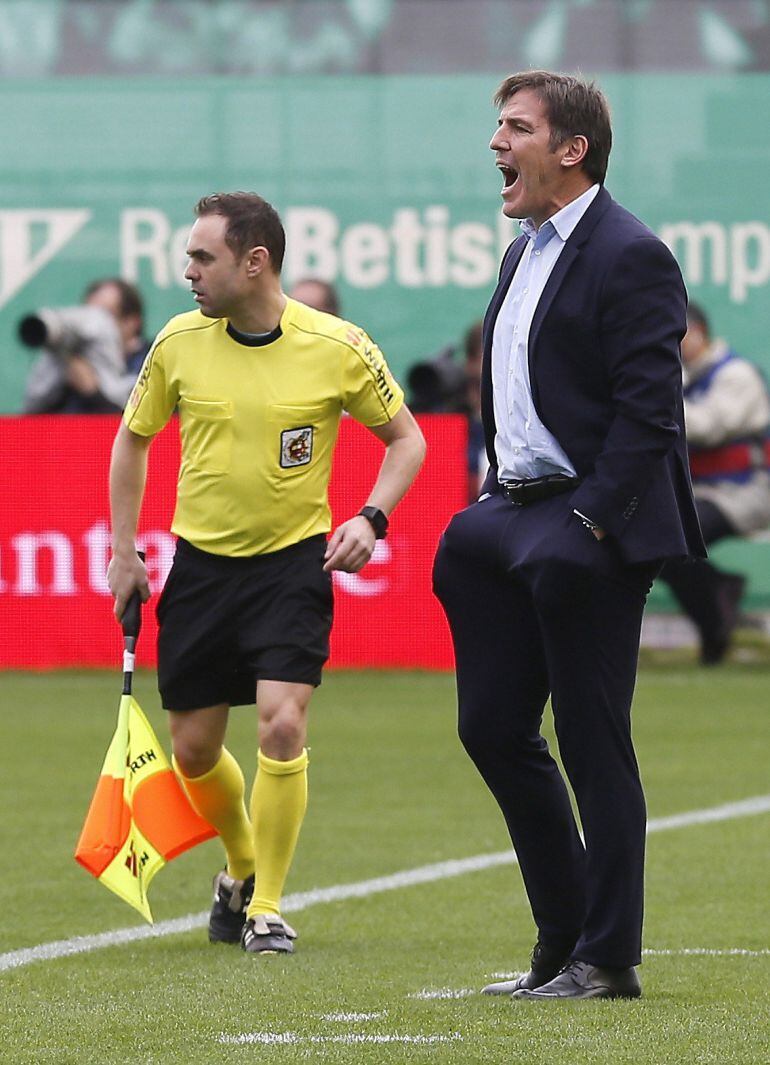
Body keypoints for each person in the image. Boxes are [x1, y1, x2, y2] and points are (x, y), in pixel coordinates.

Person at [432, 71, 705, 1001]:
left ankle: (609, 955)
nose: (496, 144)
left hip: (588, 519)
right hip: (509, 510)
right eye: (498, 126)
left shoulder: (631, 254)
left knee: (594, 741)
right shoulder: (521, 252)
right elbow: (515, 394)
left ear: (572, 148)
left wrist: (587, 520)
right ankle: (562, 941)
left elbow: (648, 417)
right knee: (492, 727)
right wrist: (489, 498)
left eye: (515, 128)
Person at [107, 192, 425, 955]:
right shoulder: (179, 341)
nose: (188, 271)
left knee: (283, 723)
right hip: (203, 569)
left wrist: (371, 516)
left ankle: (268, 907)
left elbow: (407, 440)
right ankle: (241, 868)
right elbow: (131, 440)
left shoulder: (338, 345)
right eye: (189, 255)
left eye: (202, 256)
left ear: (255, 262)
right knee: (190, 749)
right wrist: (124, 551)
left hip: (292, 566)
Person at [658, 302, 770, 663]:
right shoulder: (683, 378)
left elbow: (706, 427)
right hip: (700, 493)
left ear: (699, 331)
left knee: (673, 536)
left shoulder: (734, 374)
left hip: (747, 490)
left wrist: (652, 403)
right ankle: (715, 612)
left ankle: (717, 602)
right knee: (656, 542)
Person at [23, 278, 150, 413]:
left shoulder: (153, 361)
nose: (95, 324)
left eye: (104, 316)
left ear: (132, 322)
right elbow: (31, 422)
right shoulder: (68, 358)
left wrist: (93, 392)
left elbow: (154, 426)